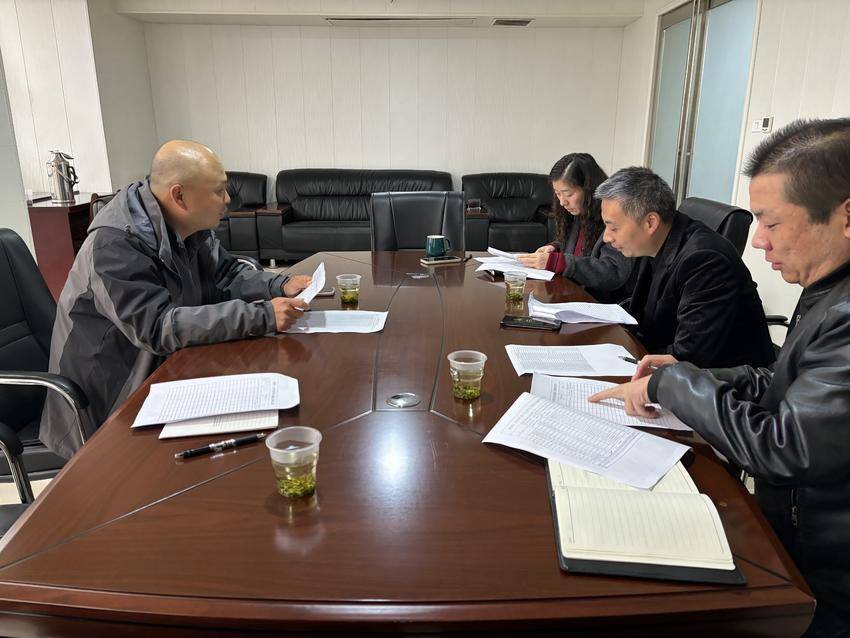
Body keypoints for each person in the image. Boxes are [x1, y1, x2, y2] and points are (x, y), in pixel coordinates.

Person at [588, 118, 850, 637]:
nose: (759, 241)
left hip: (825, 578)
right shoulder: (828, 286)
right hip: (790, 529)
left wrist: (673, 384)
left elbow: (786, 448)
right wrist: (686, 374)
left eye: (771, 223)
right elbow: (783, 380)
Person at [40, 140, 311, 459]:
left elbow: (225, 274)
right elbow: (156, 327)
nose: (227, 199)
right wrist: (262, 315)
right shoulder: (114, 245)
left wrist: (280, 284)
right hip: (108, 405)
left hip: (165, 371)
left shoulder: (188, 225)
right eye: (218, 191)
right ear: (179, 196)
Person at [595, 166, 775, 368]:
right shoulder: (655, 241)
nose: (607, 237)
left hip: (720, 380)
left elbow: (687, 356)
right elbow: (644, 322)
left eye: (614, 227)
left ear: (650, 223)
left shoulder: (704, 260)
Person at [516, 153, 637, 302]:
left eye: (568, 194)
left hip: (599, 304)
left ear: (589, 189)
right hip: (570, 295)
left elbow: (613, 272)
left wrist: (560, 262)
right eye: (557, 194)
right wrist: (555, 248)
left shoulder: (612, 217)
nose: (562, 202)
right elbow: (577, 249)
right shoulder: (580, 211)